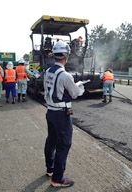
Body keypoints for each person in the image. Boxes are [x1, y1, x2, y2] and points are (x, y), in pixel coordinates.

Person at [43, 41, 85, 188]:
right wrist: (80, 88)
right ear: (66, 56)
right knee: (64, 144)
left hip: (50, 111)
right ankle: (57, 179)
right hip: (61, 115)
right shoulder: (65, 75)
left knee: (51, 140)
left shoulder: (48, 72)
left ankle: (50, 168)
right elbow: (74, 94)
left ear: (54, 55)